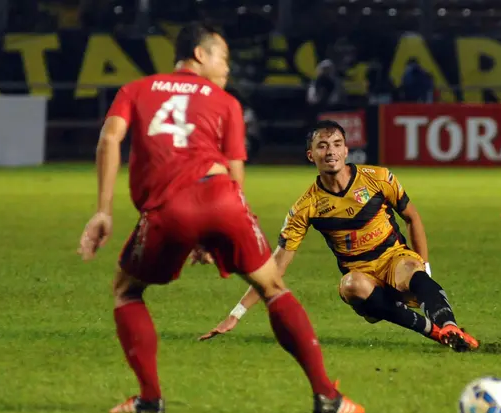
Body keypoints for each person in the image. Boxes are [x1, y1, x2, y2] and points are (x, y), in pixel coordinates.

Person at [77, 22, 364, 413]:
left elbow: (109, 139)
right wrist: (216, 232)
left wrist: (103, 210)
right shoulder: (225, 101)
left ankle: (149, 399)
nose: (227, 68)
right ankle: (328, 397)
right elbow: (235, 171)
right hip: (222, 198)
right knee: (272, 287)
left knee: (126, 290)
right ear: (199, 55)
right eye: (223, 58)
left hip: (168, 208)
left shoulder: (135, 90)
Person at [199, 120, 480, 353]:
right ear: (311, 155)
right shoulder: (306, 206)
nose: (330, 151)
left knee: (410, 267)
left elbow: (412, 218)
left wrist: (425, 272)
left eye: (336, 145)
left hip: (395, 260)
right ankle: (436, 333)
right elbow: (277, 265)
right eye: (322, 146)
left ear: (346, 151)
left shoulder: (378, 178)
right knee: (350, 286)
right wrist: (236, 313)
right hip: (362, 277)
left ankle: (450, 326)